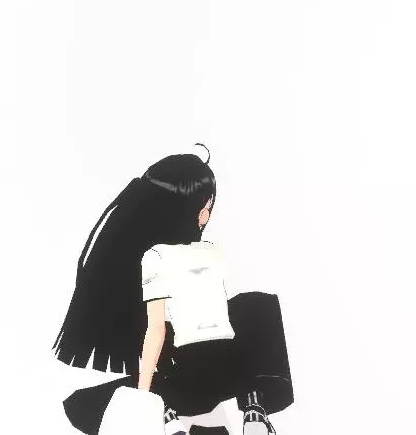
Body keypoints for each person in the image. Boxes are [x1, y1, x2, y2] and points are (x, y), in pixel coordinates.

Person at [53, 145, 293, 434]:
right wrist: (145, 398)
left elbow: (158, 334)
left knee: (86, 403)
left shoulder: (149, 259)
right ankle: (253, 408)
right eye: (204, 207)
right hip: (213, 376)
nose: (207, 215)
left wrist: (145, 393)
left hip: (188, 378)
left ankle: (170, 414)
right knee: (257, 305)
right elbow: (159, 331)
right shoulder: (189, 255)